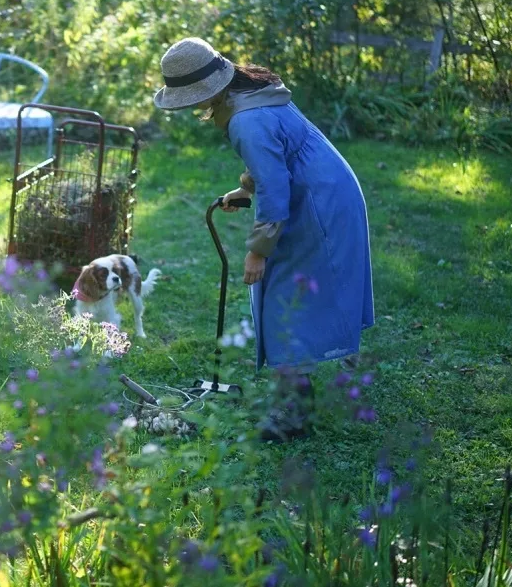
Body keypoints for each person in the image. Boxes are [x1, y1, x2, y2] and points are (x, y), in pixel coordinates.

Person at [154, 37, 375, 440]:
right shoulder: (252, 92)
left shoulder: (245, 120)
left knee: (281, 297)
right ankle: (300, 399)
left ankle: (291, 419)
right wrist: (246, 188)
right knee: (292, 296)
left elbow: (276, 189)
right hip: (323, 190)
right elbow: (279, 157)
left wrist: (258, 252)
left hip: (317, 203)